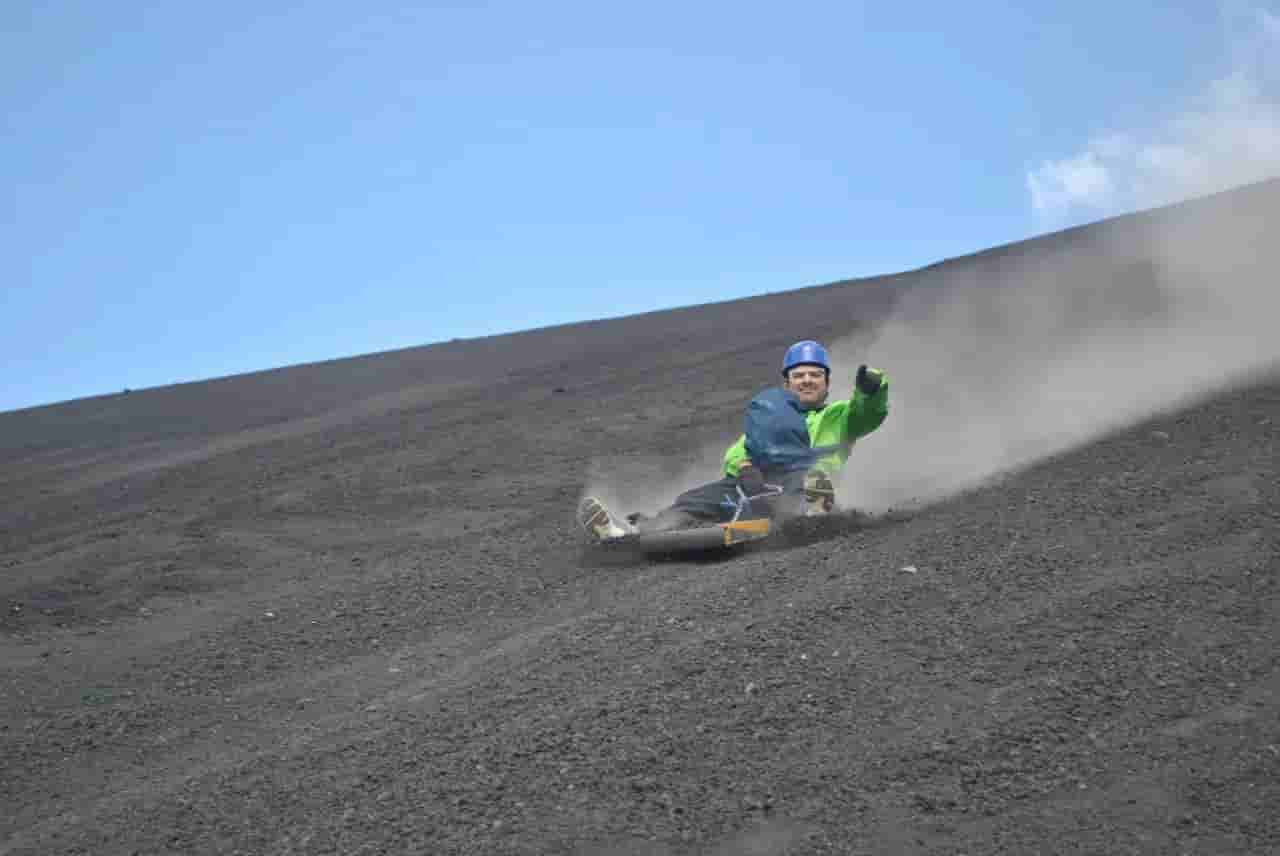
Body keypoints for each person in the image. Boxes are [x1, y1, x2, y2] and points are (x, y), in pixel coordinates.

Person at [578, 340, 889, 540]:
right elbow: (740, 449)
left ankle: (816, 510)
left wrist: (872, 389)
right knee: (693, 500)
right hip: (757, 487)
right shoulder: (771, 416)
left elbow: (868, 414)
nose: (806, 380)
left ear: (826, 382)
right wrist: (742, 466)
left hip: (804, 483)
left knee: (807, 480)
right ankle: (627, 533)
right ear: (787, 382)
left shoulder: (839, 416)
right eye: (798, 375)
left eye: (814, 374)